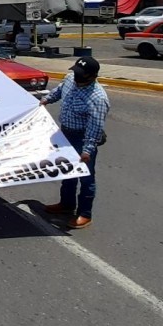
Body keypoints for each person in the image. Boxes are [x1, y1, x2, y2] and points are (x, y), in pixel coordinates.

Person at [41, 57, 110, 229]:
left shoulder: (97, 98)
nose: (76, 76)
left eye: (80, 74)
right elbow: (59, 91)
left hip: (82, 137)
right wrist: (47, 100)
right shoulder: (71, 79)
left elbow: (94, 128)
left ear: (91, 76)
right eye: (75, 72)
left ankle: (85, 214)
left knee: (86, 177)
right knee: (67, 170)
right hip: (65, 133)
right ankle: (66, 204)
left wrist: (87, 151)